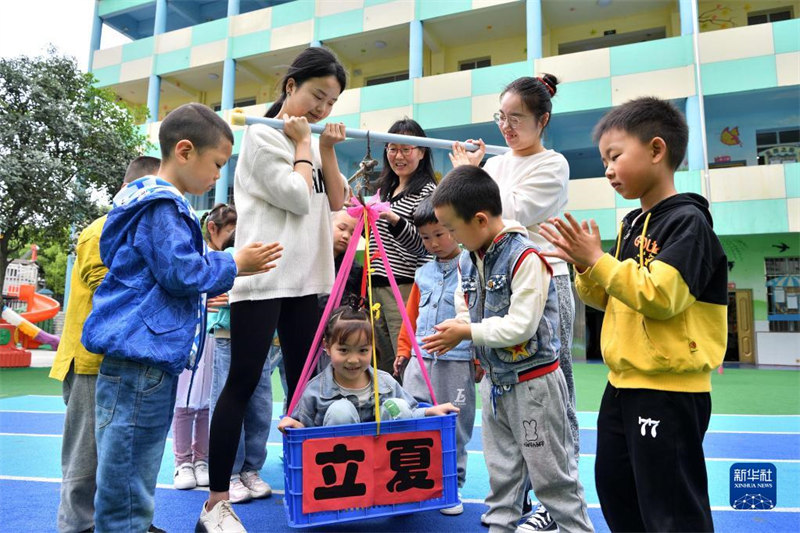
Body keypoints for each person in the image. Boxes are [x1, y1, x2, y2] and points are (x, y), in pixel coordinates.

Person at [81, 103, 282, 533]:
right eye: (216, 164)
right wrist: (233, 262)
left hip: (148, 360)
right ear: (185, 151)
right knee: (128, 473)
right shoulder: (162, 208)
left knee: (134, 467)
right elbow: (181, 272)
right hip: (141, 359)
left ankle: (133, 524)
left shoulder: (153, 205)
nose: (217, 177)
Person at [540, 96, 727, 532]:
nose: (607, 169)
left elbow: (662, 295)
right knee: (617, 491)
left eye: (615, 156)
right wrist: (585, 265)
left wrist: (600, 262)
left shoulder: (687, 223)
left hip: (668, 390)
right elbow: (610, 297)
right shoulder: (631, 225)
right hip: (622, 385)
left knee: (671, 507)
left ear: (657, 150)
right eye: (605, 158)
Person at [204, 46, 349, 533]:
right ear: (291, 87)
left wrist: (324, 149)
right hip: (265, 275)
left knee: (305, 389)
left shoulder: (308, 140)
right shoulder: (261, 136)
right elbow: (293, 195)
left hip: (307, 277)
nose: (322, 109)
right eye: (316, 95)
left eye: (330, 102)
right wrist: (304, 147)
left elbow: (338, 200)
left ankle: (307, 480)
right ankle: (216, 503)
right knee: (243, 382)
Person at [423, 166, 593, 533]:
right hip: (496, 385)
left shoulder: (526, 257)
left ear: (480, 220)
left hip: (535, 387)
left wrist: (467, 330)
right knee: (502, 480)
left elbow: (522, 326)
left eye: (452, 229)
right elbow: (463, 299)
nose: (449, 237)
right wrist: (461, 323)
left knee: (553, 480)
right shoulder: (469, 257)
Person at [450, 74, 577, 531]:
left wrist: (472, 176)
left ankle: (555, 499)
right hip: (493, 284)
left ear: (542, 120)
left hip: (544, 281)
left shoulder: (553, 163)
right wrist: (476, 174)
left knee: (551, 391)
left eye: (516, 119)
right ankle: (515, 497)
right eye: (501, 117)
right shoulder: (499, 164)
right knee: (504, 392)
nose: (506, 126)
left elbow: (509, 216)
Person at [49, 155, 161, 533]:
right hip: (89, 364)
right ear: (130, 191)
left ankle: (128, 523)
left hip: (120, 365)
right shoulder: (103, 230)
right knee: (84, 461)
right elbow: (108, 289)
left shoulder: (138, 231)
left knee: (122, 456)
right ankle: (76, 527)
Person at [393, 198, 477, 516]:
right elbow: (410, 315)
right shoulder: (422, 273)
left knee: (454, 423)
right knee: (412, 417)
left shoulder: (471, 268)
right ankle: (414, 481)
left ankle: (451, 484)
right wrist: (404, 349)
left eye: (440, 234)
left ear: (454, 229)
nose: (433, 243)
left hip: (457, 360)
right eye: (426, 237)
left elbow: (478, 314)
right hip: (420, 360)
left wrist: (479, 358)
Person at [278, 302, 459, 431]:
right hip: (340, 471)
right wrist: (295, 425)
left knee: (397, 406)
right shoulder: (315, 390)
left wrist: (429, 412)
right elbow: (304, 428)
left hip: (384, 464)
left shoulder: (386, 382)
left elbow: (410, 413)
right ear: (326, 347)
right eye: (343, 350)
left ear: (372, 347)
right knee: (341, 411)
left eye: (363, 350)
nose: (354, 360)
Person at [206, 204, 276, 504]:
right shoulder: (224, 259)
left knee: (260, 405)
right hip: (228, 337)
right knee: (229, 399)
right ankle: (230, 472)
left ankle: (251, 468)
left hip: (260, 339)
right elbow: (212, 292)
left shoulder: (265, 251)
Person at [172, 204, 237, 491]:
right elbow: (182, 288)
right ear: (213, 229)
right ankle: (182, 461)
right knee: (185, 399)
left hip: (220, 338)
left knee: (210, 399)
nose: (237, 239)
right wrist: (203, 300)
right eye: (232, 232)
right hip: (194, 335)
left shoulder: (232, 259)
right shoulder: (196, 255)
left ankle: (202, 459)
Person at [370, 118, 437, 375]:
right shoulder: (384, 191)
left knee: (404, 361)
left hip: (406, 286)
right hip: (377, 286)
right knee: (382, 363)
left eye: (406, 149)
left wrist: (392, 218)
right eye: (392, 148)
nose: (398, 156)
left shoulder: (427, 192)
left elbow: (424, 245)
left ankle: (410, 411)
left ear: (421, 152)